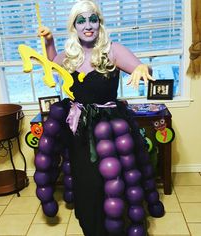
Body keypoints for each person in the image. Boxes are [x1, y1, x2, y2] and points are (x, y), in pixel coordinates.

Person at [37, 1, 164, 235]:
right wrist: (49, 42)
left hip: (110, 128)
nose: (88, 26)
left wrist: (142, 68)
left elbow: (140, 66)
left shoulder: (113, 50)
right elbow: (52, 66)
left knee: (114, 182)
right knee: (87, 181)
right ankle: (91, 226)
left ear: (99, 23)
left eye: (92, 19)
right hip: (79, 129)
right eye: (81, 20)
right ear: (74, 25)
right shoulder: (68, 56)